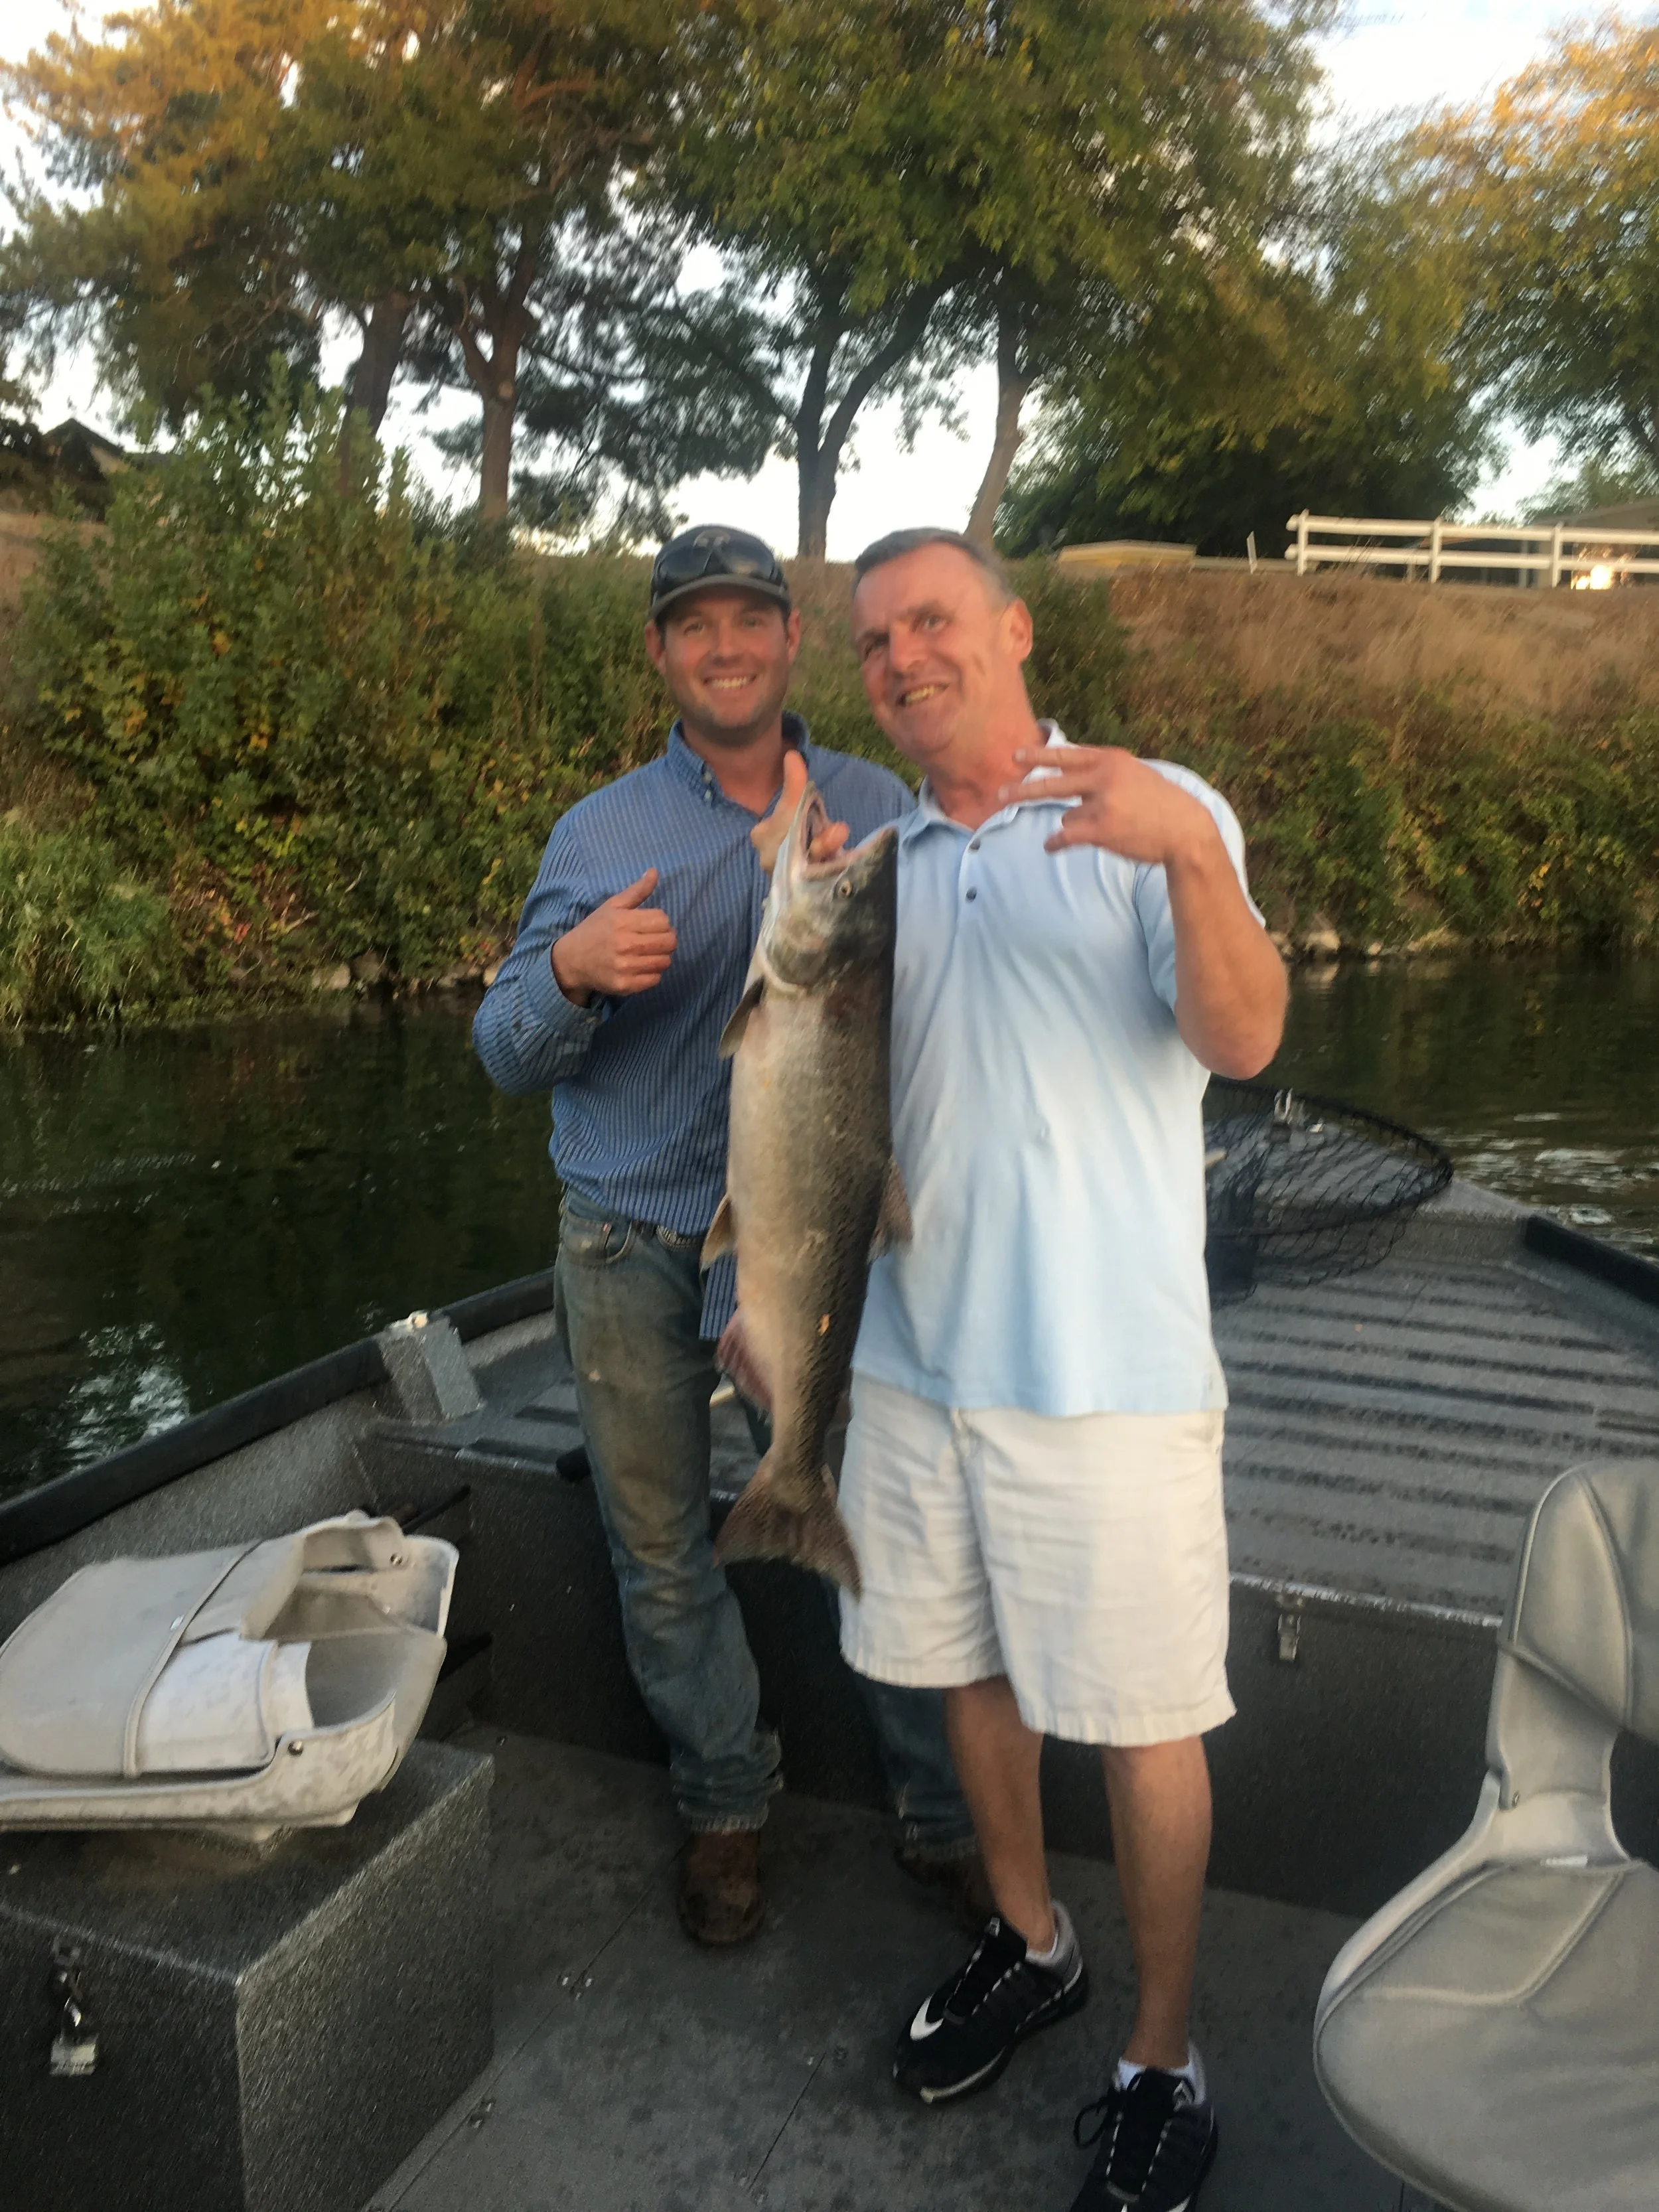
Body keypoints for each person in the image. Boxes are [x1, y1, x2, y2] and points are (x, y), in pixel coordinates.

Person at [833, 527, 1286, 2212]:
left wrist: (1190, 861)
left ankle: (1159, 2061)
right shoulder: (873, 856)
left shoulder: (1144, 802)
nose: (900, 657)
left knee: (1147, 1724)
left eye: (931, 618)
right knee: (967, 1673)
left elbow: (1240, 1039)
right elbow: (833, 1100)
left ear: (1011, 629)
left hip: (1105, 1375)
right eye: (874, 640)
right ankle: (1033, 1943)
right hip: (906, 1363)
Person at [472, 524, 979, 1948]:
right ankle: (722, 1801)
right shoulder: (598, 834)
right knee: (660, 1552)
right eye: (693, 624)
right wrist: (568, 977)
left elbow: (967, 1000)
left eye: (748, 618)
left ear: (790, 636)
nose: (725, 645)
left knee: (882, 1528)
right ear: (659, 652)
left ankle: (938, 1809)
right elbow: (505, 1055)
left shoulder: (882, 801)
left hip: (827, 1244)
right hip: (630, 1244)